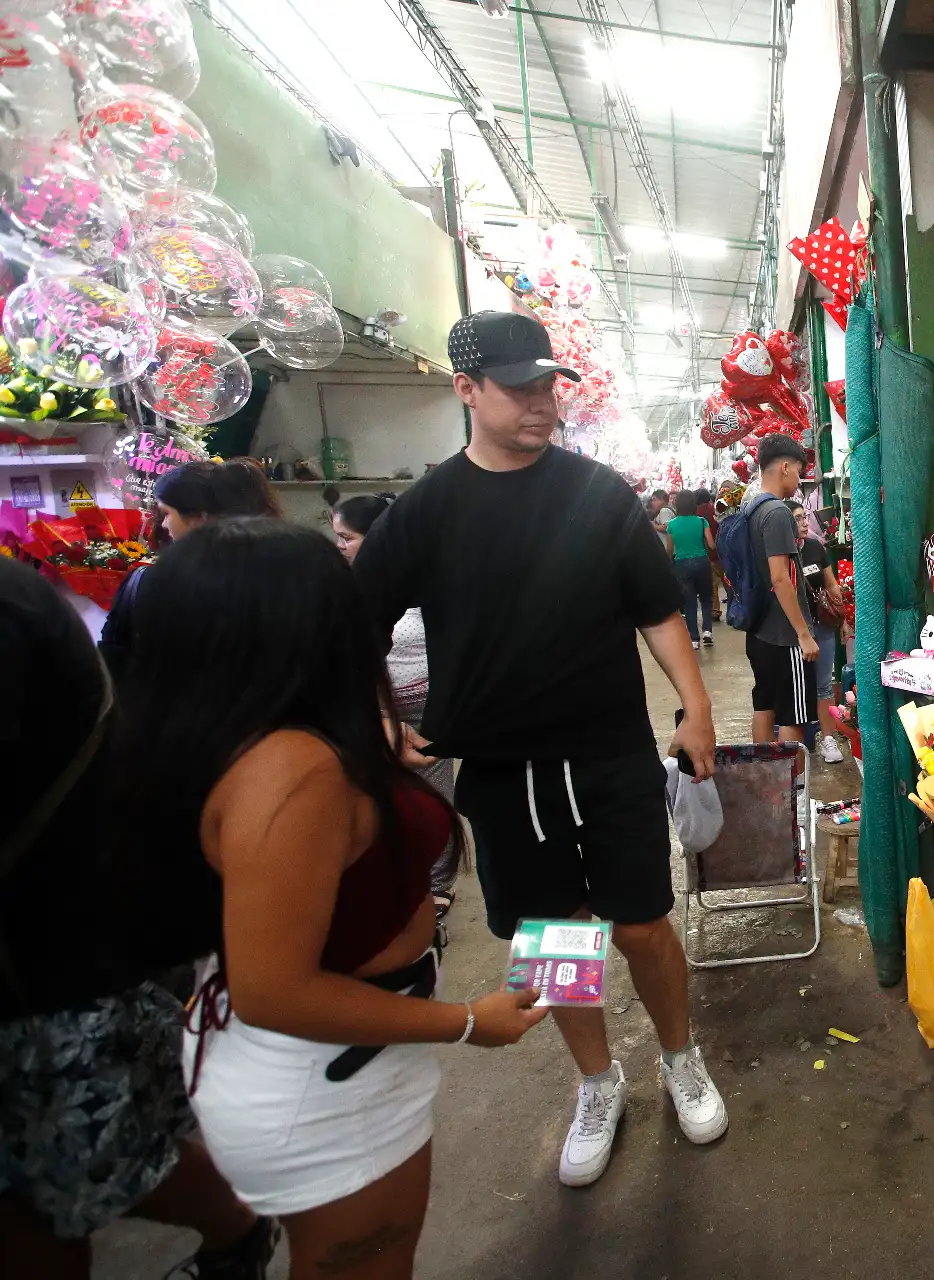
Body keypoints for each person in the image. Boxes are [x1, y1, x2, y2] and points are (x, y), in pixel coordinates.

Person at [109, 519, 544, 1279]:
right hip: (325, 1078)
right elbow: (274, 990)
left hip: (326, 1059)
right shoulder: (295, 773)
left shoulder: (241, 737)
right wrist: (468, 1023)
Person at [352, 311, 726, 1189]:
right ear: (467, 390)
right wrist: (375, 719)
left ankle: (681, 1056)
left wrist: (698, 705)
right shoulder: (428, 511)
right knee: (555, 938)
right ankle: (598, 1083)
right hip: (498, 768)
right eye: (516, 387)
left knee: (640, 922)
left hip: (606, 753)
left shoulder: (597, 495)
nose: (539, 402)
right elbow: (354, 624)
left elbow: (658, 612)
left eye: (547, 384)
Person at [0, 555, 277, 1280]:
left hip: (52, 965)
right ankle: (237, 1229)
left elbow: (287, 990)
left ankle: (237, 1228)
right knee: (42, 1186)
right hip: (68, 950)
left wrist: (464, 1023)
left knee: (80, 1171)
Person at [333, 494, 460, 929]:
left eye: (346, 538)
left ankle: (437, 883)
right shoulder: (345, 588)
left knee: (432, 786)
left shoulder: (422, 582)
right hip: (375, 710)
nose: (340, 547)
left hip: (428, 709)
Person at [98, 458, 278, 676]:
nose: (163, 525)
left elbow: (113, 664)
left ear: (200, 517)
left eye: (166, 514)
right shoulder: (281, 577)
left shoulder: (149, 583)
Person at [745, 435, 817, 744]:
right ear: (784, 467)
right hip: (784, 635)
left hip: (759, 629)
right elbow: (780, 578)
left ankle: (764, 781)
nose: (799, 479)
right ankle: (794, 791)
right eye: (799, 472)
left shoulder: (751, 508)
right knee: (792, 716)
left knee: (765, 706)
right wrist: (803, 633)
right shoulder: (777, 513)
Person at [789, 499, 847, 763]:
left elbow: (832, 585)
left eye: (804, 518)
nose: (804, 523)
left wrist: (842, 619)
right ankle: (797, 742)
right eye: (797, 519)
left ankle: (828, 738)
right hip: (793, 633)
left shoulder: (814, 548)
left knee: (824, 684)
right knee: (796, 688)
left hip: (822, 626)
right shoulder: (780, 554)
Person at [665, 490, 716, 648]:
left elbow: (669, 549)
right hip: (701, 562)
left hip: (682, 564)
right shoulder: (701, 522)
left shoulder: (672, 525)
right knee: (706, 598)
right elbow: (711, 544)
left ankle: (694, 639)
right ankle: (707, 631)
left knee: (689, 603)